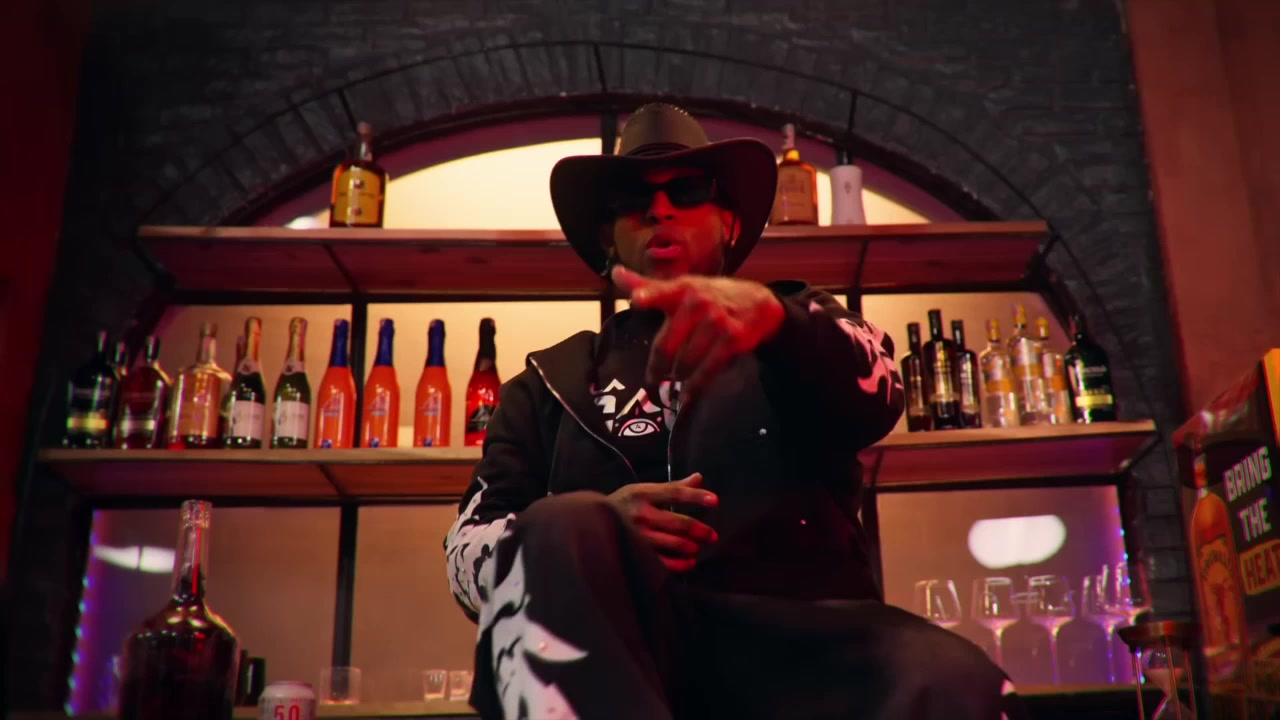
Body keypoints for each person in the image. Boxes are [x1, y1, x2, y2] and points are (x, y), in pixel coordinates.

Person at [444, 103, 1026, 720]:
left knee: (955, 682)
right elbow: (465, 557)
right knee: (558, 526)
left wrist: (779, 324)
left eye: (687, 191)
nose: (660, 210)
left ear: (730, 223)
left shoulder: (800, 325)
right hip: (608, 655)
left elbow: (881, 391)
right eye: (634, 198)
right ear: (606, 238)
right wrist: (596, 532)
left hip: (805, 651)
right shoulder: (543, 384)